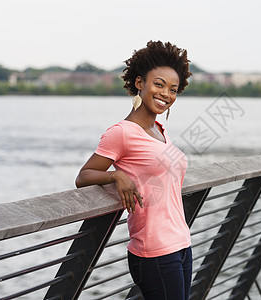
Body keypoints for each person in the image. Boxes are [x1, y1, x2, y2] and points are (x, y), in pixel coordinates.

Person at [75, 40, 193, 300]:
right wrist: (117, 175)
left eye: (173, 89)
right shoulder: (121, 133)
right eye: (158, 84)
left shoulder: (160, 131)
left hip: (181, 244)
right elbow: (83, 176)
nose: (166, 94)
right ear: (140, 83)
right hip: (154, 250)